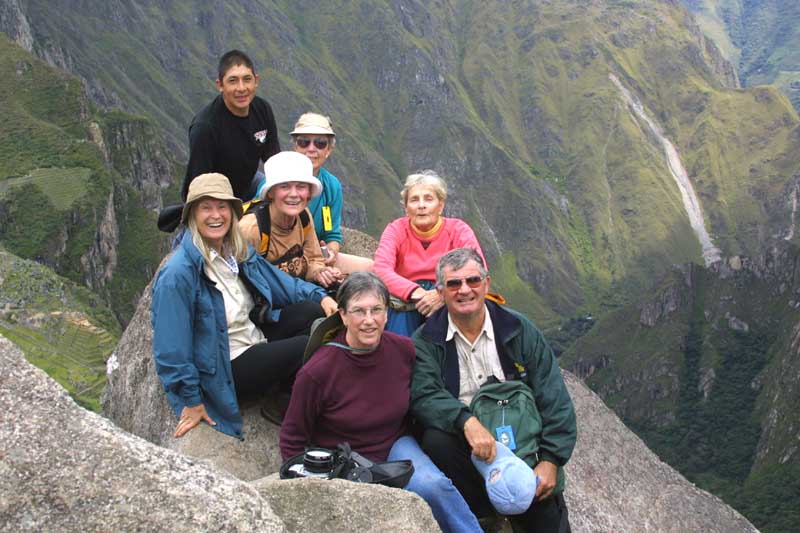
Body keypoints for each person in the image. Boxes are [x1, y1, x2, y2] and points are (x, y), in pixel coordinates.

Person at [280, 272, 483, 533]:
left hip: (395, 446)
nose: (369, 320)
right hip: (344, 459)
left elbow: (427, 394)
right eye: (358, 311)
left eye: (376, 310)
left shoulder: (404, 350)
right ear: (343, 315)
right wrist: (301, 489)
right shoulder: (318, 371)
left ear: (387, 314)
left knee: (434, 487)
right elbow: (293, 436)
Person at [151, 173, 338, 440]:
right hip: (223, 364)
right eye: (206, 208)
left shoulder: (234, 250)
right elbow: (171, 347)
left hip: (251, 335)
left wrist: (321, 297)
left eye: (222, 207)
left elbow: (280, 283)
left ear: (232, 212)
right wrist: (191, 400)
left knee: (311, 311)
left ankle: (286, 386)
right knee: (305, 347)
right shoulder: (179, 274)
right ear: (192, 215)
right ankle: (286, 404)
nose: (216, 215)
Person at [410, 248, 577, 532]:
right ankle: (485, 516)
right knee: (436, 440)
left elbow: (553, 397)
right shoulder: (426, 341)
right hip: (467, 451)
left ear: (486, 284)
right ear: (440, 292)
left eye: (473, 280)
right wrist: (466, 421)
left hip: (522, 448)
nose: (465, 290)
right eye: (453, 283)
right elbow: (424, 395)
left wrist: (551, 460)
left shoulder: (518, 330)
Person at [373, 171, 486, 336]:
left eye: (428, 199)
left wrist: (441, 294)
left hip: (447, 295)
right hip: (406, 299)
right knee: (399, 334)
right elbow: (381, 268)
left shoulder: (458, 229)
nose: (421, 205)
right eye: (414, 200)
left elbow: (478, 268)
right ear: (406, 208)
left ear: (441, 205)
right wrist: (416, 292)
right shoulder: (396, 229)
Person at [181, 50, 280, 201]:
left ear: (256, 81)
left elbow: (274, 160)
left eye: (247, 79)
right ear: (220, 85)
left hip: (248, 183)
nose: (241, 88)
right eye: (233, 81)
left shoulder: (262, 109)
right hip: (216, 194)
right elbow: (198, 185)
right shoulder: (205, 127)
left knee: (283, 191)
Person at [240, 151, 343, 289]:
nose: (294, 194)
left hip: (299, 287)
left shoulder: (305, 215)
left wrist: (321, 272)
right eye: (284, 186)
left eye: (301, 186)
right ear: (271, 192)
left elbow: (315, 256)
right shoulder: (251, 230)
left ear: (309, 193)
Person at [287, 112, 373, 274]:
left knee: (371, 268)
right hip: (280, 257)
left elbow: (331, 232)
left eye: (320, 143)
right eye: (304, 142)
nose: (311, 148)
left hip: (316, 256)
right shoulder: (276, 179)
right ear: (295, 146)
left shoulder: (331, 186)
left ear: (329, 150)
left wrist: (331, 252)